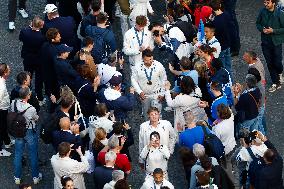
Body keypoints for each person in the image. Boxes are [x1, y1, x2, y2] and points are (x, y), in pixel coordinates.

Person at [11, 87, 42, 185]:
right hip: (28, 131)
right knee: (33, 154)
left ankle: (17, 177)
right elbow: (36, 118)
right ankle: (35, 177)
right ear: (28, 96)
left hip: (18, 131)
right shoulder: (31, 108)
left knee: (18, 153)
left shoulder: (13, 103)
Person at [256, 0, 284, 92]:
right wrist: (262, 29)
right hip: (265, 42)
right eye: (264, 2)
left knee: (277, 62)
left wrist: (274, 31)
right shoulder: (262, 11)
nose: (266, 4)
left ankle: (280, 73)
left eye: (268, 3)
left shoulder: (279, 14)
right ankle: (276, 82)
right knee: (269, 62)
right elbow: (258, 23)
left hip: (276, 42)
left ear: (273, 3)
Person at [131, 49, 167, 118]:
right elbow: (133, 80)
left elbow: (163, 79)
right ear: (142, 59)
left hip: (156, 94)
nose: (149, 62)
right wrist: (139, 92)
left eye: (150, 59)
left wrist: (162, 93)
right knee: (146, 113)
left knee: (157, 114)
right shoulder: (137, 67)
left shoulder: (159, 65)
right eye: (146, 60)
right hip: (145, 95)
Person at [19, 16, 45, 103]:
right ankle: (39, 97)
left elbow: (20, 38)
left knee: (27, 76)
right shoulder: (41, 37)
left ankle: (26, 95)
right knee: (39, 79)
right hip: (38, 59)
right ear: (40, 26)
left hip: (27, 57)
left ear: (32, 23)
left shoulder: (24, 32)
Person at [210, 0, 234, 76]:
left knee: (222, 68)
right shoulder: (227, 14)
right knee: (229, 67)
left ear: (212, 9)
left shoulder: (215, 21)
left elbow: (214, 33)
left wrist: (210, 21)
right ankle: (231, 82)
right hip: (227, 44)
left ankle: (224, 82)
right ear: (220, 5)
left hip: (221, 46)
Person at [212, 104, 236, 180]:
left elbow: (216, 140)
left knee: (225, 164)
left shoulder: (218, 128)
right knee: (231, 161)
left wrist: (213, 125)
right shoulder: (231, 116)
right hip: (232, 143)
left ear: (219, 114)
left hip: (225, 149)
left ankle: (229, 179)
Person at [39, 28, 61, 103]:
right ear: (52, 40)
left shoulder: (44, 45)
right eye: (58, 37)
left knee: (48, 86)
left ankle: (49, 94)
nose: (60, 37)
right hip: (52, 74)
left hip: (45, 70)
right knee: (54, 90)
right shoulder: (54, 51)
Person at [0, 63, 13, 156]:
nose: (10, 70)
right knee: (1, 127)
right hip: (1, 109)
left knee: (3, 126)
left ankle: (7, 142)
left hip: (3, 108)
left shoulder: (2, 80)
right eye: (8, 69)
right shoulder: (2, 87)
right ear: (5, 73)